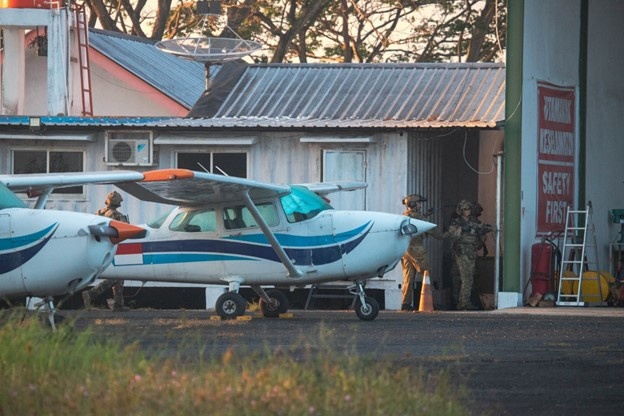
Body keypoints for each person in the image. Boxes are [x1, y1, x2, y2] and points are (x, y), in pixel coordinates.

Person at [82, 191, 129, 312]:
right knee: (116, 277)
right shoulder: (116, 215)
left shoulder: (99, 212)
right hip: (111, 247)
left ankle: (118, 304)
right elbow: (127, 228)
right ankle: (91, 294)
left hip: (99, 247)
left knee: (119, 276)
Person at [445, 200, 492, 310]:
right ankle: (462, 303)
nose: (468, 211)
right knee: (464, 280)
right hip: (462, 253)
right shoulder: (456, 223)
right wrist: (461, 229)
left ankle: (464, 302)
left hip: (470, 253)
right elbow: (452, 237)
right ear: (461, 211)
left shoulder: (472, 223)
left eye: (469, 209)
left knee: (469, 279)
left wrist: (484, 231)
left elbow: (477, 243)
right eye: (466, 209)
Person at [400, 194, 437, 311]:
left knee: (408, 278)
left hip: (405, 250)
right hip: (417, 250)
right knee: (426, 274)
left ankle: (405, 304)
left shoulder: (404, 216)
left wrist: (426, 214)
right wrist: (448, 235)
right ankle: (429, 302)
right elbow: (434, 232)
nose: (420, 205)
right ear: (413, 204)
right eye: (418, 203)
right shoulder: (419, 217)